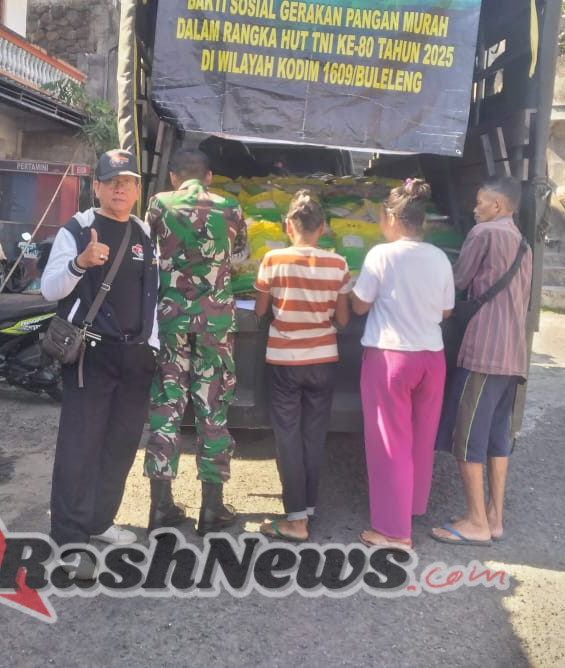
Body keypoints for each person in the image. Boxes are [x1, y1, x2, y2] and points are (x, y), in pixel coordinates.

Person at [40, 149, 159, 549]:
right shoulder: (77, 228)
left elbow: (152, 297)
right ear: (98, 187)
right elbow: (49, 288)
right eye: (111, 182)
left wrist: (151, 347)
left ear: (138, 189)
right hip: (90, 356)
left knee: (120, 445)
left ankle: (99, 520)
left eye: (127, 182)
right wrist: (80, 263)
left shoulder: (143, 233)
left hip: (135, 357)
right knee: (80, 445)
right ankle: (69, 535)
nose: (119, 188)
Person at [144, 148, 248, 535]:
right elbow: (240, 257)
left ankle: (160, 509)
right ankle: (212, 510)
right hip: (216, 325)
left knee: (168, 407)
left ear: (173, 177)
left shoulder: (158, 204)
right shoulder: (230, 207)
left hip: (170, 321)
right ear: (209, 177)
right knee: (213, 410)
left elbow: (146, 255)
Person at [351, 179, 454, 549]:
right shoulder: (439, 258)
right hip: (431, 356)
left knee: (389, 443)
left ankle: (394, 533)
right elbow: (446, 310)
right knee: (419, 440)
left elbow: (360, 304)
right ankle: (409, 507)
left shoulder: (382, 255)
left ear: (392, 217)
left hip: (391, 357)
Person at [432, 176, 532, 547]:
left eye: (481, 202)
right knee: (495, 439)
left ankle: (474, 521)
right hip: (512, 352)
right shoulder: (523, 242)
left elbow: (457, 280)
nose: (475, 209)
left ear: (498, 207)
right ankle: (494, 517)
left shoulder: (483, 234)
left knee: (467, 438)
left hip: (484, 352)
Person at [254, 191, 352, 541]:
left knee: (288, 437)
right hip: (323, 361)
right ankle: (308, 506)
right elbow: (342, 318)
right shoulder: (338, 264)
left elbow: (261, 311)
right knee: (314, 435)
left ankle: (296, 519)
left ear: (286, 226)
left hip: (284, 361)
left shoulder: (272, 259)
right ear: (322, 228)